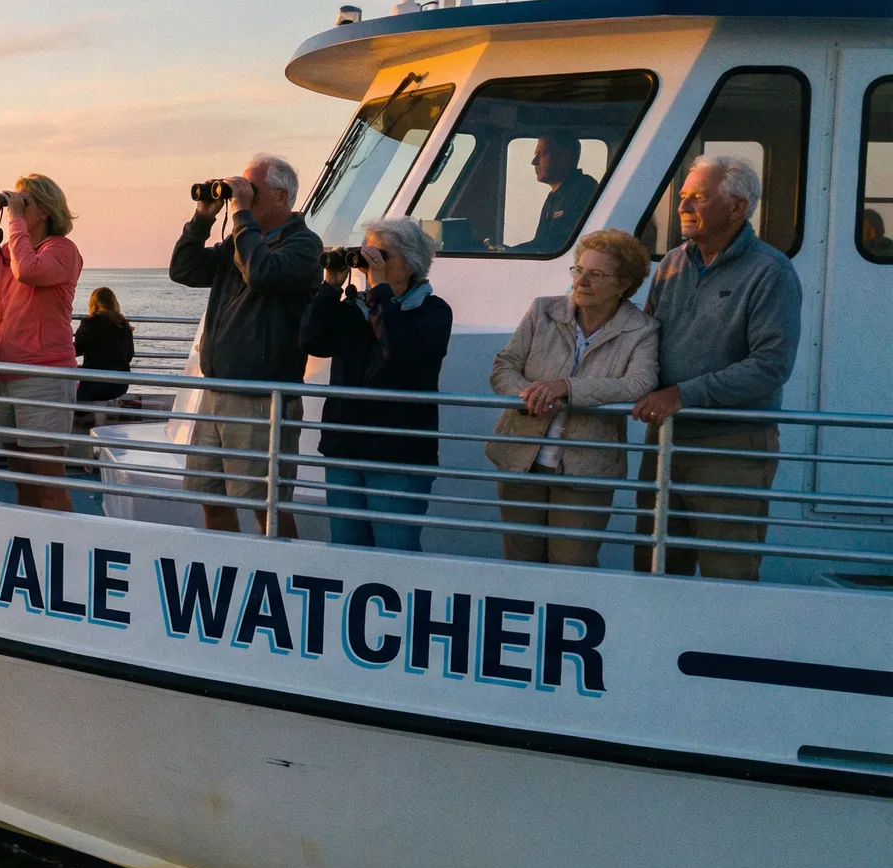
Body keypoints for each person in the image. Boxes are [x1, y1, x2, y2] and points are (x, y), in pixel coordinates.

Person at [631, 155, 801, 580]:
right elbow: (646, 338)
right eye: (684, 197)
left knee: (728, 574)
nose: (683, 206)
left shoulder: (771, 272)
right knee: (656, 568)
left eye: (698, 198)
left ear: (737, 207)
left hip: (730, 448)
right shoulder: (670, 263)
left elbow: (770, 366)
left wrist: (683, 394)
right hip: (666, 442)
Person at [169, 155, 322, 535]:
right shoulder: (239, 241)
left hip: (261, 398)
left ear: (282, 196)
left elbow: (262, 273)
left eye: (252, 190)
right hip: (217, 391)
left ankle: (280, 574)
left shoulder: (304, 245)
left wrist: (239, 215)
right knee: (212, 498)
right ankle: (226, 575)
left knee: (266, 505)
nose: (244, 197)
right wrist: (204, 216)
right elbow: (184, 270)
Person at [487, 229, 660, 566]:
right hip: (521, 461)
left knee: (572, 567)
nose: (581, 281)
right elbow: (504, 366)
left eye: (595, 274)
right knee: (520, 564)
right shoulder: (543, 311)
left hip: (587, 469)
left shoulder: (642, 329)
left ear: (623, 284)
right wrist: (529, 395)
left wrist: (567, 388)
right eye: (578, 270)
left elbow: (640, 383)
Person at [300, 216, 452, 550]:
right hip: (345, 449)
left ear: (411, 263)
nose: (371, 263)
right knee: (347, 552)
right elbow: (312, 341)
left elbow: (397, 347)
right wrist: (330, 288)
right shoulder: (356, 307)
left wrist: (381, 289)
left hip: (398, 455)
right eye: (368, 254)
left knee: (395, 554)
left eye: (382, 255)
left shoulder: (433, 312)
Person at [0, 174, 85, 512]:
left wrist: (13, 222)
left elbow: (28, 270)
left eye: (23, 202)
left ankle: (63, 551)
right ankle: (33, 545)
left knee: (47, 480)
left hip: (45, 377)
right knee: (20, 476)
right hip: (7, 375)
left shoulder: (62, 251)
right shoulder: (8, 253)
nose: (15, 208)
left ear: (44, 210)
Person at [513, 132, 599, 253]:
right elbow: (541, 242)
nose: (534, 161)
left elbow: (557, 245)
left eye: (542, 154)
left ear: (564, 158)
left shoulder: (584, 189)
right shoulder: (555, 196)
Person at [74, 287, 134, 403]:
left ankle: (80, 415)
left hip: (92, 385)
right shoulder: (123, 325)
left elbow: (76, 350)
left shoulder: (88, 324)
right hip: (120, 385)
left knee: (66, 390)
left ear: (93, 304)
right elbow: (129, 356)